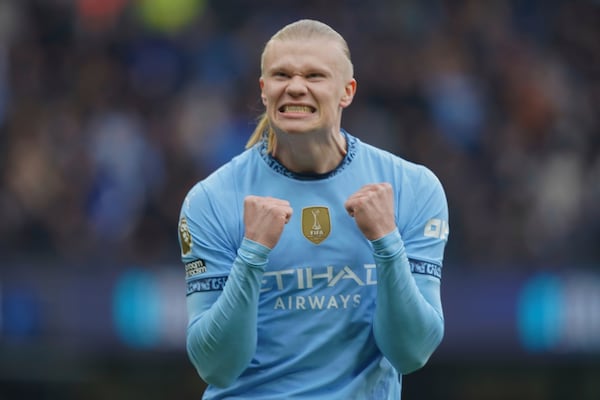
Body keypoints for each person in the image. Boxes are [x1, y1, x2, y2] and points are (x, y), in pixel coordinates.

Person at [178, 19, 449, 399]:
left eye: (314, 75)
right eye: (281, 75)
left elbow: (411, 351)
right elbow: (217, 366)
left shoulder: (412, 189)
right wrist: (252, 255)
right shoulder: (212, 199)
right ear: (263, 89)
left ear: (346, 92)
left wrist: (387, 242)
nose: (295, 87)